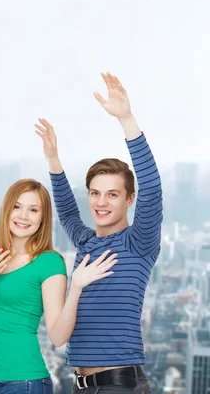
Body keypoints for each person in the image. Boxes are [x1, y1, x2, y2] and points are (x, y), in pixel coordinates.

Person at [0, 127, 117, 394]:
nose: (23, 216)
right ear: (7, 210)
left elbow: (58, 335)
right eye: (17, 207)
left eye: (33, 209)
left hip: (25, 381)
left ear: (42, 218)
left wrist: (76, 288)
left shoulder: (49, 262)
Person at [36, 72, 162, 393]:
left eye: (112, 194)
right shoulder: (85, 242)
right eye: (95, 193)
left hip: (118, 384)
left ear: (129, 199)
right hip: (83, 386)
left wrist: (127, 119)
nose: (101, 202)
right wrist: (53, 159)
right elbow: (65, 210)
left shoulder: (139, 242)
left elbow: (152, 187)